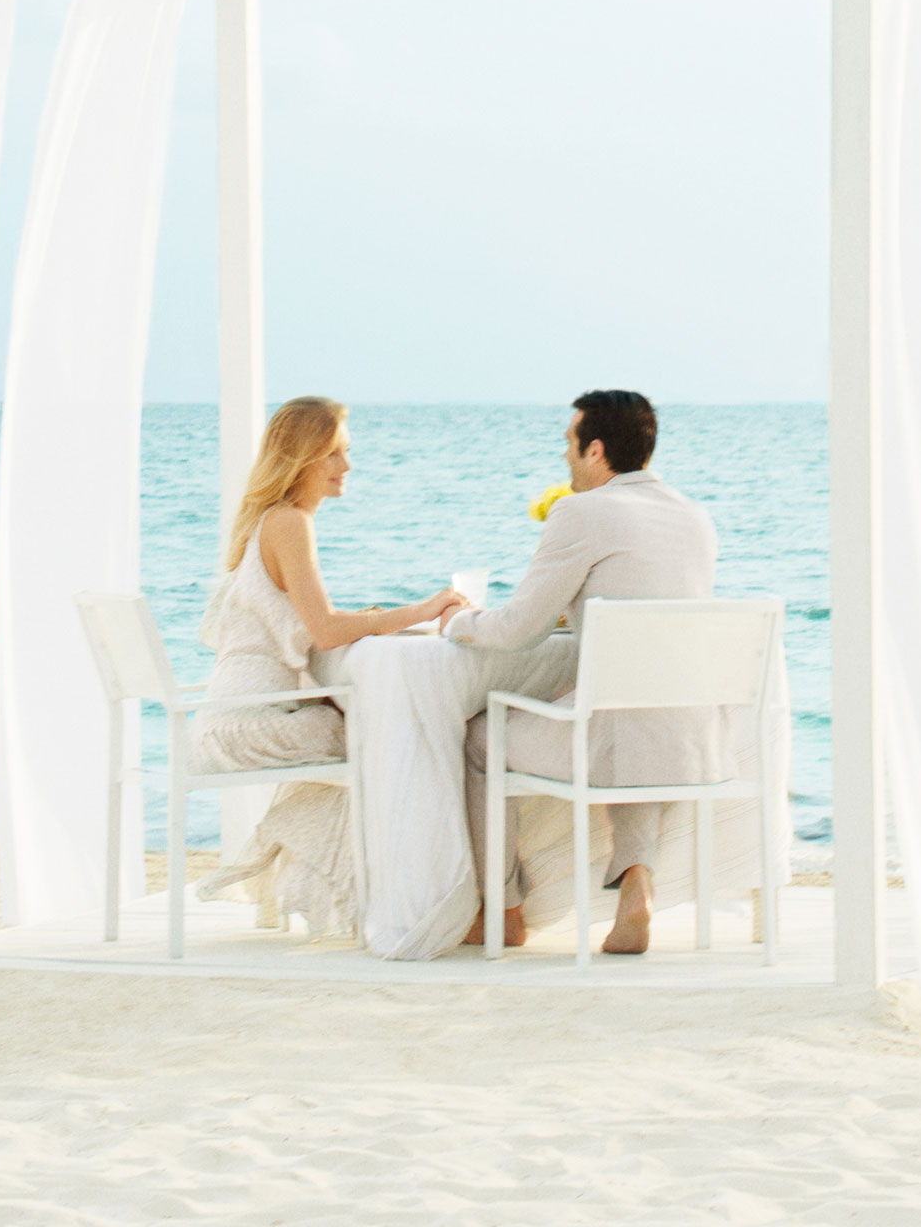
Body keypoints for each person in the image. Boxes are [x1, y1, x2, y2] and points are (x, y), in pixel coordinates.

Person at [451, 389, 722, 955]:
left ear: (595, 450)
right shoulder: (695, 517)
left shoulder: (581, 511)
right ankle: (636, 881)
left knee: (478, 740)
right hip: (696, 739)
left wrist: (457, 621)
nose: (566, 461)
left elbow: (515, 630)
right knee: (634, 714)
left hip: (611, 742)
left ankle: (502, 912)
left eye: (568, 448)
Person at [197, 396, 468, 928]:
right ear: (300, 460)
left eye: (345, 453)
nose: (346, 466)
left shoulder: (271, 521)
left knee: (377, 731)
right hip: (247, 725)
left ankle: (351, 889)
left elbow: (311, 625)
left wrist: (371, 619)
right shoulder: (289, 523)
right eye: (333, 454)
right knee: (401, 740)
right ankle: (402, 902)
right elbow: (323, 631)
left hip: (236, 718)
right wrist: (422, 610)